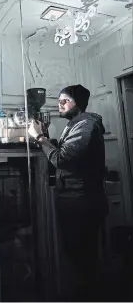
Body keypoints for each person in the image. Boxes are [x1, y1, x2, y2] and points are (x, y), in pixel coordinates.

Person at [28, 84, 108, 301]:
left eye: (65, 101)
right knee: (78, 256)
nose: (59, 104)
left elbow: (62, 159)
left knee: (83, 258)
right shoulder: (74, 125)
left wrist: (39, 138)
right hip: (75, 201)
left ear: (78, 104)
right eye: (59, 101)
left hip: (82, 202)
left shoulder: (86, 125)